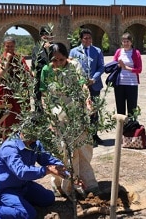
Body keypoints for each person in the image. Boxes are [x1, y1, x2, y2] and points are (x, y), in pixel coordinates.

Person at [40, 42, 99, 197]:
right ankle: (63, 184)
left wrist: (87, 100)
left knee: (82, 147)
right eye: (55, 60)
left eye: (61, 60)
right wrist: (49, 117)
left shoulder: (74, 67)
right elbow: (44, 96)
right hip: (57, 116)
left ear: (67, 57)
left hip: (75, 113)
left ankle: (86, 181)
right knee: (63, 151)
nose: (58, 63)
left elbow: (83, 86)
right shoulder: (46, 71)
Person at [0, 132, 68, 218]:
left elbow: (47, 159)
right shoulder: (10, 147)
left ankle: (17, 203)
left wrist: (68, 174)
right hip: (4, 189)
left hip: (23, 185)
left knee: (48, 198)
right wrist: (46, 170)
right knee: (27, 214)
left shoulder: (35, 143)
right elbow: (21, 172)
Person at [69, 28, 105, 146]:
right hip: (80, 87)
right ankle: (83, 136)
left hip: (94, 85)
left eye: (90, 38)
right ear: (81, 39)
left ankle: (94, 135)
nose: (88, 40)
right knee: (81, 110)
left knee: (94, 110)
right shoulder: (74, 52)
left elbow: (101, 67)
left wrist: (93, 79)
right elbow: (70, 67)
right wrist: (79, 81)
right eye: (85, 38)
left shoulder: (97, 51)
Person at [0, 36, 30, 138]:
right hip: (5, 92)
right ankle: (6, 139)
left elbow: (27, 72)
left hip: (18, 91)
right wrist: (8, 60)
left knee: (19, 115)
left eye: (12, 46)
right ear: (3, 46)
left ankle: (21, 137)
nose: (10, 49)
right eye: (7, 46)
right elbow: (1, 73)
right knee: (7, 116)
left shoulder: (19, 58)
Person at [112, 32, 142, 116]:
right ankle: (121, 128)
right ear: (121, 42)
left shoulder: (136, 53)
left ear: (131, 42)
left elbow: (139, 69)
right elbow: (113, 64)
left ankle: (132, 128)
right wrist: (118, 65)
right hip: (119, 83)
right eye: (124, 41)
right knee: (120, 109)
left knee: (132, 109)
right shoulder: (118, 52)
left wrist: (125, 67)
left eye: (127, 41)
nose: (126, 43)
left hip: (131, 83)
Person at [31, 25, 54, 112]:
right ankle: (39, 115)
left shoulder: (55, 47)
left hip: (51, 77)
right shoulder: (36, 48)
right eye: (45, 34)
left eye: (49, 34)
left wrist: (50, 49)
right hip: (39, 77)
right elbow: (34, 62)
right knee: (38, 96)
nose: (47, 36)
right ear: (41, 35)